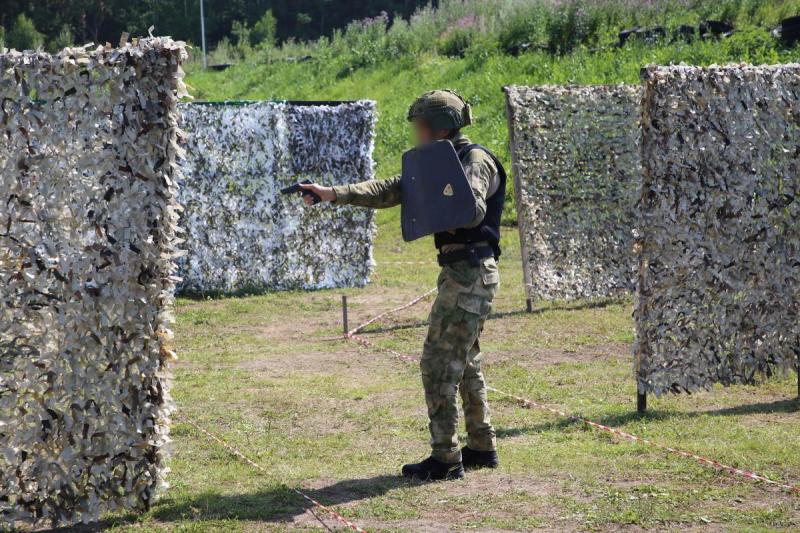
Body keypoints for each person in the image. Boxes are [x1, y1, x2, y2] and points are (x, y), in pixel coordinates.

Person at [299, 90, 506, 481]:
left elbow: (472, 207)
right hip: (462, 271)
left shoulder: (474, 160)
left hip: (470, 271)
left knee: (437, 364)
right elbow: (389, 190)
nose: (416, 133)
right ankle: (481, 446)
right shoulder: (437, 163)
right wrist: (332, 194)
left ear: (436, 126)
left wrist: (438, 212)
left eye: (420, 126)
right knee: (466, 361)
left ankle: (445, 458)